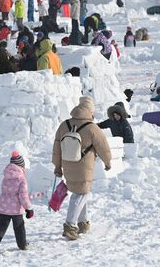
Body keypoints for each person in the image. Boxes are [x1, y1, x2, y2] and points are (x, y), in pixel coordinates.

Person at [52, 96, 111, 240]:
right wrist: (108, 162)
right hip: (84, 166)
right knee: (81, 193)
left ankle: (82, 222)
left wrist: (57, 166)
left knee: (80, 190)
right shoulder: (92, 127)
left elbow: (56, 148)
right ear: (90, 110)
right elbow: (103, 147)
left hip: (67, 164)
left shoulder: (64, 125)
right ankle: (70, 225)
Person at [0, 151, 33, 256]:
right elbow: (23, 195)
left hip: (3, 207)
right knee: (19, 227)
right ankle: (22, 244)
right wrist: (29, 208)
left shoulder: (6, 176)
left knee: (1, 226)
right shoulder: (22, 179)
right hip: (15, 209)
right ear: (22, 166)